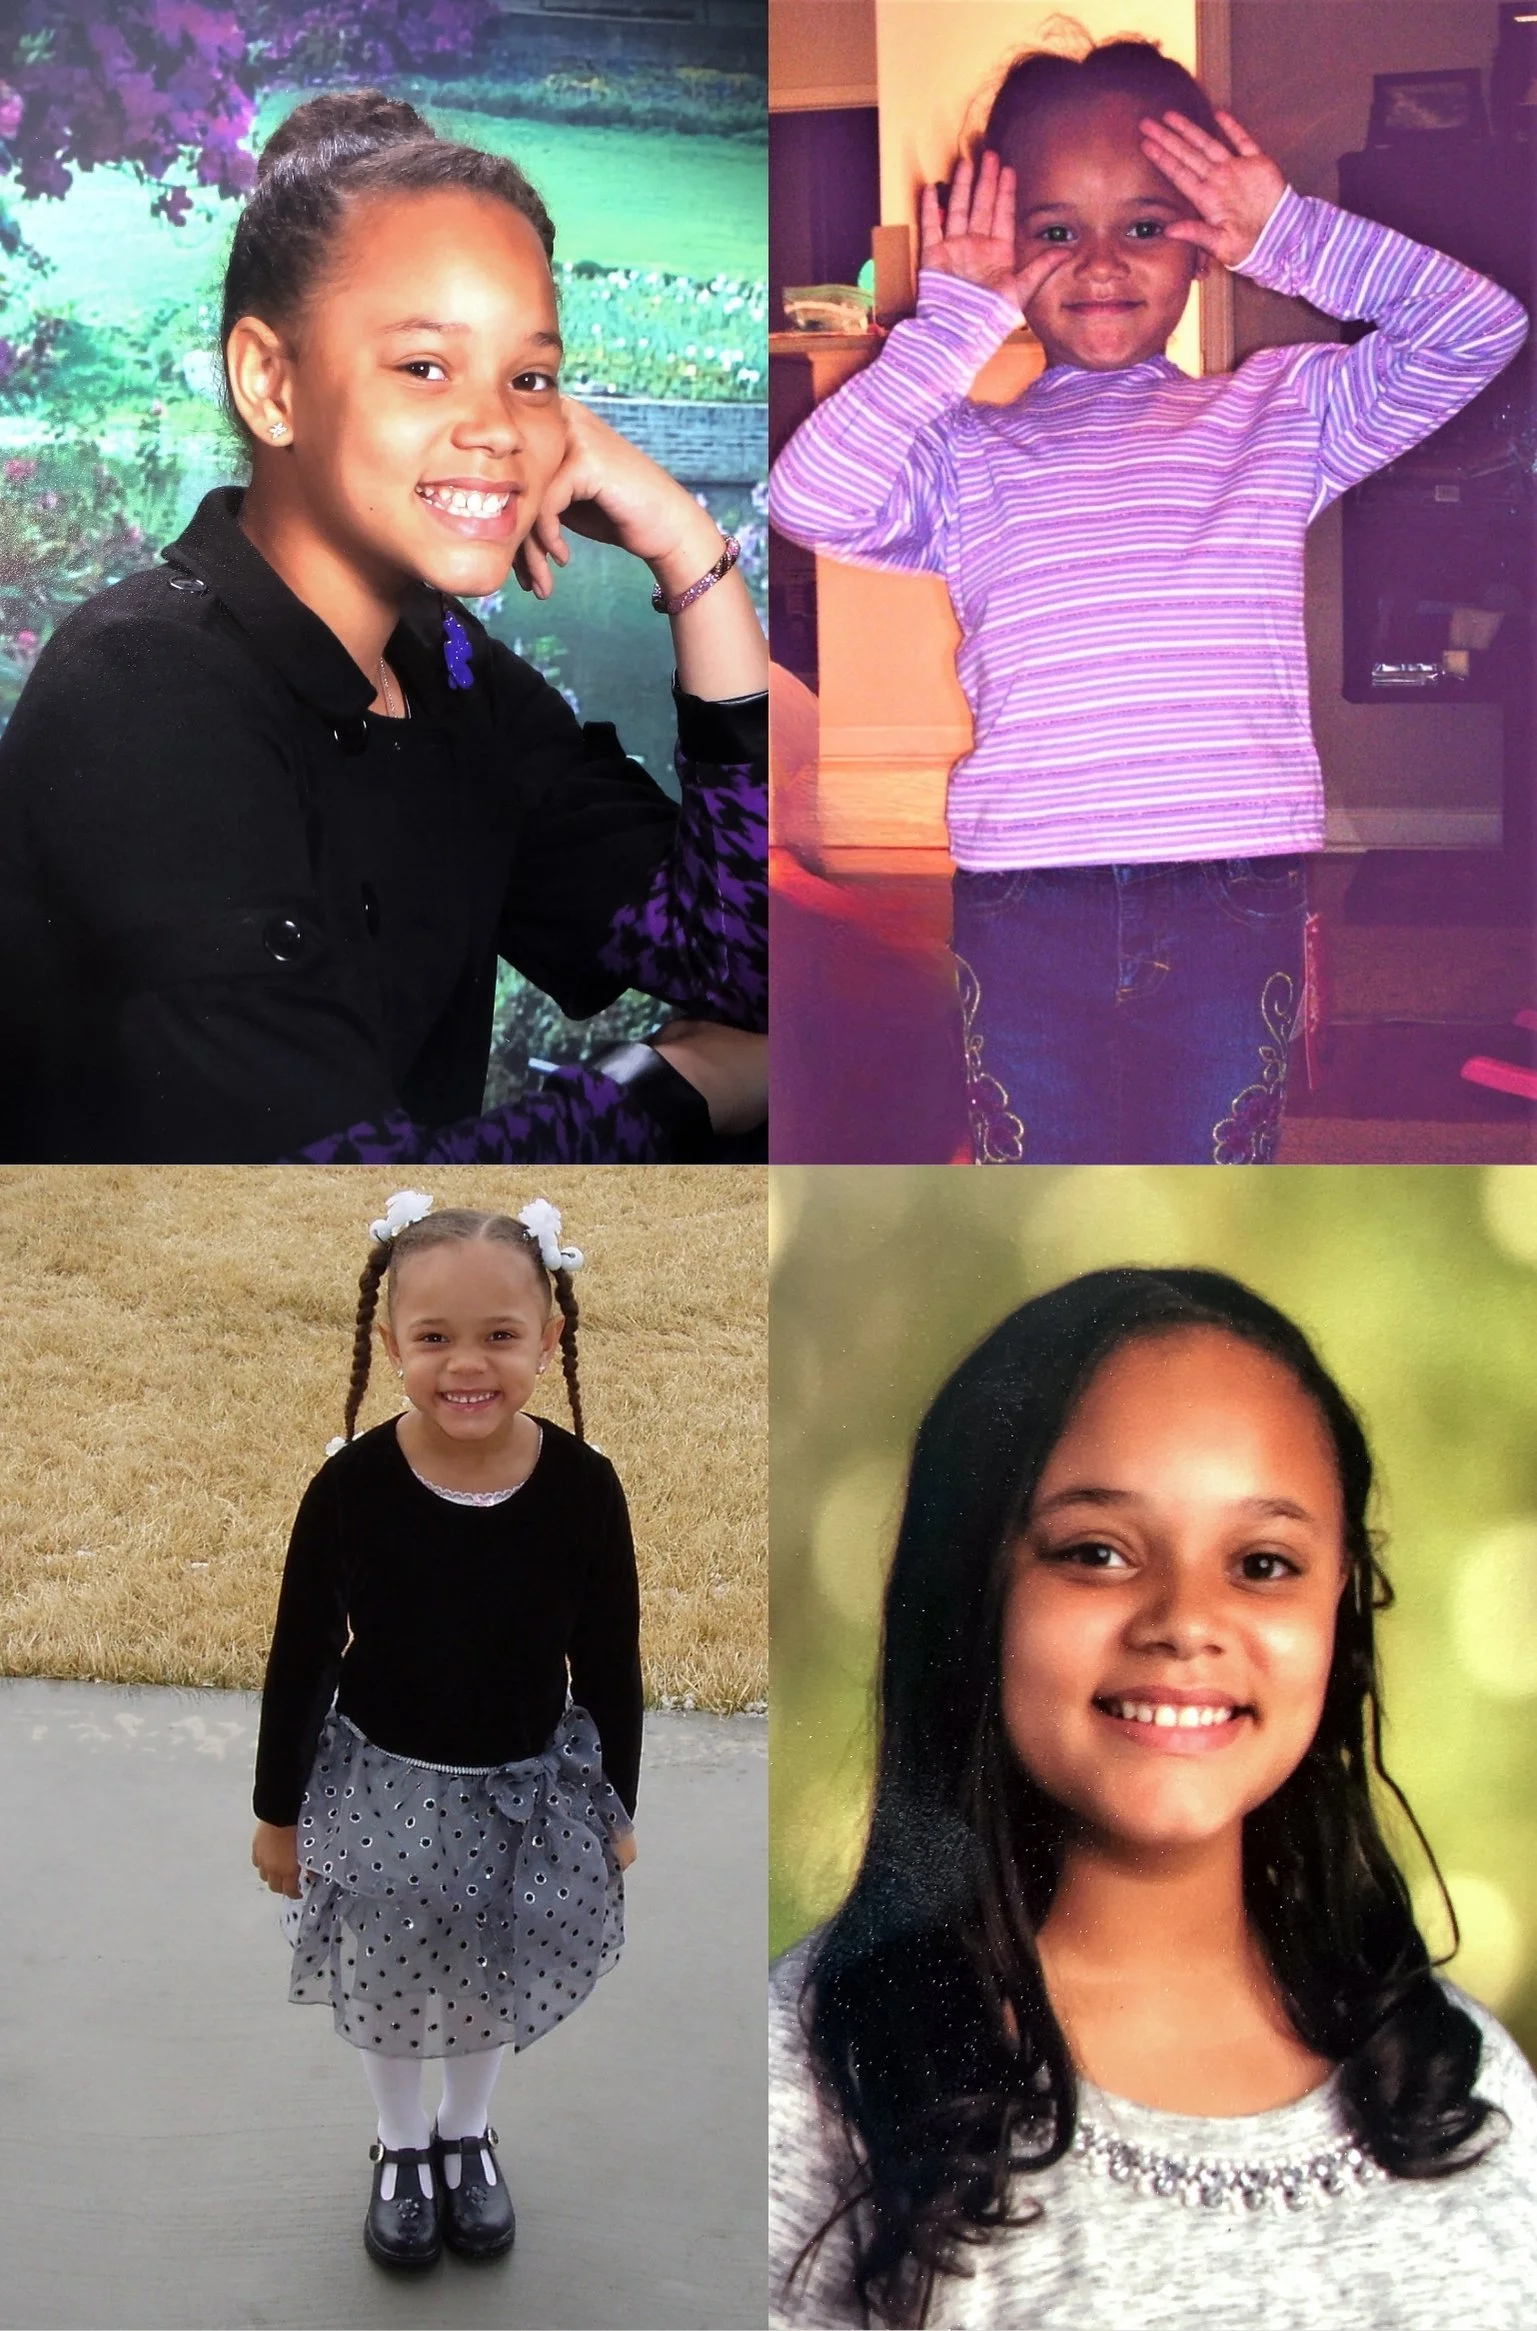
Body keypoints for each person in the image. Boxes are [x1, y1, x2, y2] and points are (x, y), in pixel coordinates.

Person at [768, 40, 1528, 1164]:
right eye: (1055, 230)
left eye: (1145, 222)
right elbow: (807, 499)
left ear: (1205, 243)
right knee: (1040, 1185)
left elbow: (1480, 331)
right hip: (1026, 899)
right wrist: (950, 327)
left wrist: (1290, 234)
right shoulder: (965, 452)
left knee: (1212, 1185)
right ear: (1002, 252)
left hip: (1232, 892)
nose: (1101, 263)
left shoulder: (1278, 412)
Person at [0, 89, 767, 1164]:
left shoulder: (457, 679)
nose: (497, 427)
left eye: (530, 378)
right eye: (424, 366)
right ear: (270, 383)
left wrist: (690, 546)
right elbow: (331, 1195)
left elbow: (751, 964)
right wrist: (675, 1088)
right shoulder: (141, 695)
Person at [769, 1267, 1537, 2327]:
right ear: (969, 1588)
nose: (1186, 1619)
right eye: (1096, 1553)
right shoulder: (806, 2090)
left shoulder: (1460, 2074)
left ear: (1341, 1615)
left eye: (1262, 1563)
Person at [252, 1190, 640, 2270]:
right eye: (434, 1339)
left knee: (481, 1978)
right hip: (382, 1789)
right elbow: (301, 1656)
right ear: (390, 1345)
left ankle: (467, 2138)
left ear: (549, 1338)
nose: (467, 1366)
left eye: (500, 1337)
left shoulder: (582, 1492)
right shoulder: (351, 1490)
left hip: (524, 1794)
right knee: (389, 1975)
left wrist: (617, 1813)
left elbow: (610, 1666)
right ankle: (401, 2145)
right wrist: (276, 1816)